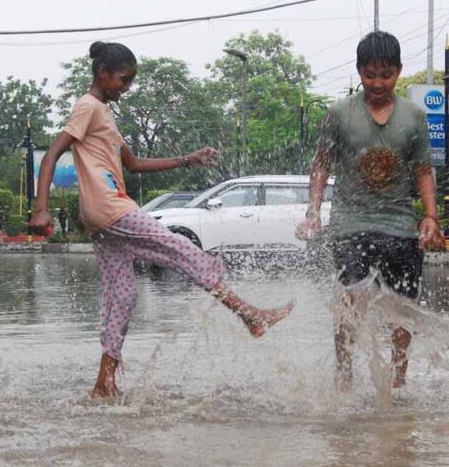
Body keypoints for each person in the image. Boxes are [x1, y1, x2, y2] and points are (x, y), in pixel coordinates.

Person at [29, 41, 294, 398]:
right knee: (181, 248)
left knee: (122, 295)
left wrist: (187, 160)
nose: (126, 87)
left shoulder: (104, 114)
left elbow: (134, 164)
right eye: (123, 79)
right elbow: (51, 155)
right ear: (102, 73)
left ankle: (104, 383)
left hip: (101, 216)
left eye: (130, 81)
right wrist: (41, 208)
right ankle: (250, 315)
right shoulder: (88, 106)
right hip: (110, 208)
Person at [296, 31, 444, 391]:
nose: (378, 83)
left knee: (404, 306)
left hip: (399, 225)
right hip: (351, 224)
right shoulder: (338, 114)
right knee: (351, 299)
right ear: (359, 70)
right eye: (370, 75)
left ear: (399, 71)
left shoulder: (414, 116)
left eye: (386, 75)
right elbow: (321, 166)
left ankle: (398, 379)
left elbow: (423, 170)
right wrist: (313, 212)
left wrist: (431, 216)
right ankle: (344, 375)